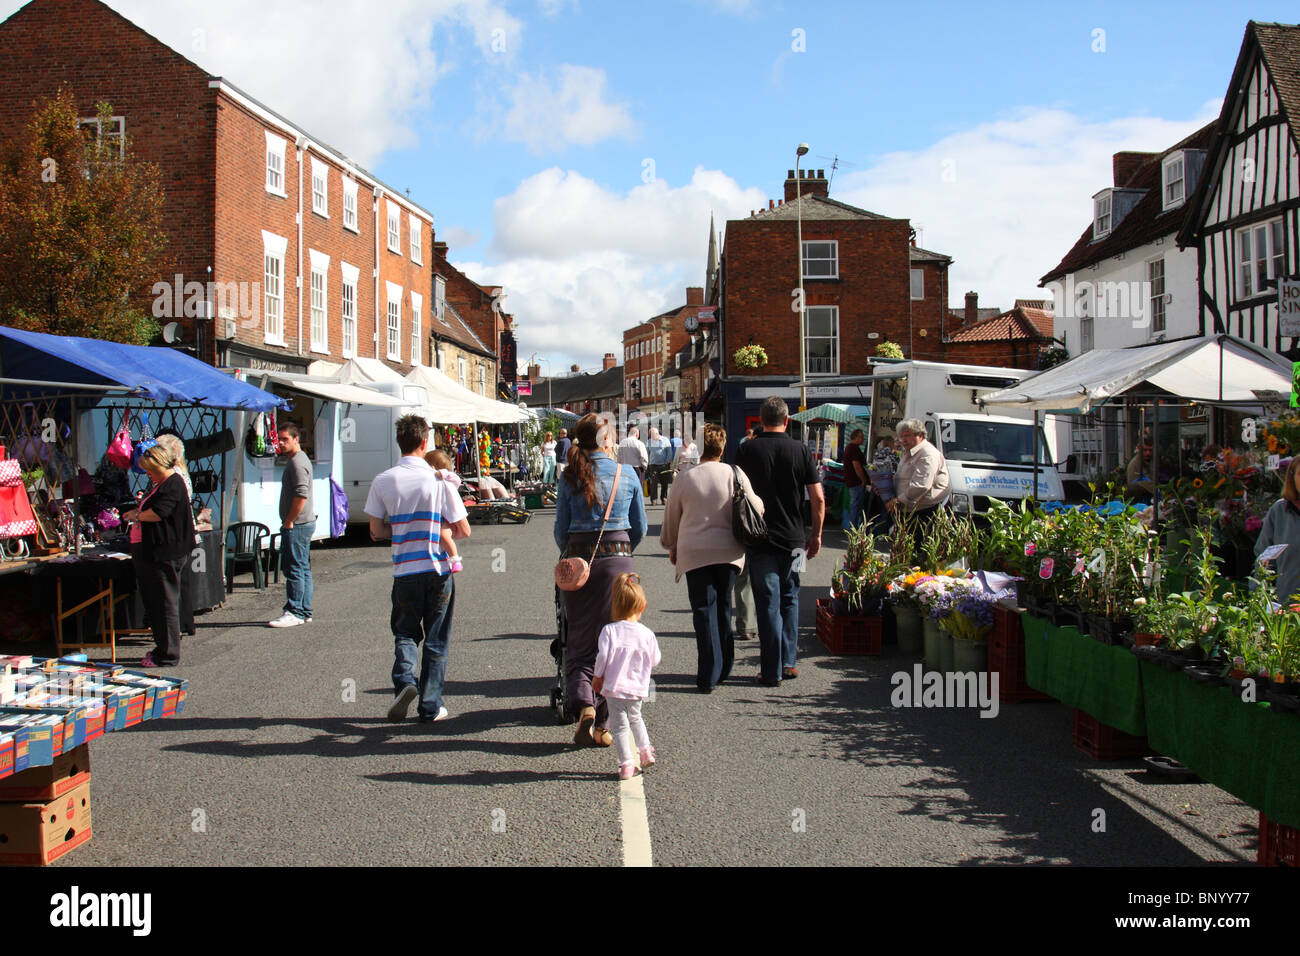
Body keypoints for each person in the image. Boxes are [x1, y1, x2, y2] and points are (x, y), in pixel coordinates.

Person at [367, 415, 471, 723]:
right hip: (438, 569)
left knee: (405, 632)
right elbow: (463, 529)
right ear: (425, 443)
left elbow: (375, 531)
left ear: (400, 442)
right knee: (436, 640)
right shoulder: (439, 480)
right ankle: (430, 705)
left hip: (405, 570)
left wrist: (400, 529)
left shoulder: (383, 480)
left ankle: (405, 680)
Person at [554, 413, 647, 747]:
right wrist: (622, 552)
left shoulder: (569, 476)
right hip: (619, 562)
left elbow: (560, 531)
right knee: (616, 644)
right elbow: (640, 528)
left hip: (579, 562)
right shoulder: (627, 474)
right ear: (607, 440)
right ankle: (603, 724)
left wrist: (574, 557)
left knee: (579, 642)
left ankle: (584, 706)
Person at [660, 423, 763, 691]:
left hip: (695, 552)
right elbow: (757, 506)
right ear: (722, 446)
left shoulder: (685, 477)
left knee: (703, 611)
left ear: (699, 447)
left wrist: (671, 544)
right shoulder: (735, 473)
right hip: (729, 551)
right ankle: (724, 663)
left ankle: (708, 673)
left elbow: (672, 516)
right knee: (722, 609)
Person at [735, 397, 825, 686]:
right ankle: (789, 661)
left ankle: (771, 669)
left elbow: (736, 495)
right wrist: (817, 535)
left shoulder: (746, 450)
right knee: (792, 596)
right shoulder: (800, 450)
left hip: (760, 539)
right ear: (787, 420)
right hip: (796, 540)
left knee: (767, 601)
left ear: (761, 420)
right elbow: (819, 498)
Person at [124, 445, 195, 668]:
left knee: (165, 603)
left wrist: (136, 515)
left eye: (149, 470)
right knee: (157, 603)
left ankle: (168, 654)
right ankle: (162, 648)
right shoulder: (165, 483)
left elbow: (159, 512)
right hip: (157, 550)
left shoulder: (173, 484)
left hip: (166, 551)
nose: (147, 474)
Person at [592, 572, 661, 780]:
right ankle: (646, 750)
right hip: (638, 687)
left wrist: (598, 676)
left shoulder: (609, 630)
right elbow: (656, 659)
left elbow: (603, 656)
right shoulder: (647, 633)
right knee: (636, 718)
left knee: (620, 727)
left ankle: (626, 765)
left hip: (614, 687)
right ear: (640, 607)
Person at [269, 423, 315, 627]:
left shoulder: (297, 462)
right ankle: (304, 610)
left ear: (297, 439)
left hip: (298, 524)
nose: (280, 443)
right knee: (302, 567)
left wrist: (289, 520)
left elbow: (301, 494)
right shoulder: (297, 460)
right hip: (303, 522)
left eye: (285, 439)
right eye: (279, 439)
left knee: (295, 568)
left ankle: (295, 611)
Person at [154, 432, 197, 637]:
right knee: (181, 581)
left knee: (173, 584)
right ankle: (184, 623)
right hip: (184, 532)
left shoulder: (174, 477)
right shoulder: (181, 473)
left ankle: (177, 626)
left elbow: (166, 508)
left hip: (176, 533)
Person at [887, 419, 949, 548]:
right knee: (905, 551)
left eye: (907, 435)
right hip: (909, 510)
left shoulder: (927, 454)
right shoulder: (909, 453)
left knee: (918, 552)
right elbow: (902, 478)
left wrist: (898, 500)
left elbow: (921, 485)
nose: (903, 440)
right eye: (902, 436)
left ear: (920, 435)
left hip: (924, 512)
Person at [732, 424, 764, 642]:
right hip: (784, 525)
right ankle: (772, 623)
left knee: (746, 576)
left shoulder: (745, 451)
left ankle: (747, 626)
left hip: (751, 519)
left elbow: (738, 483)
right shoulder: (796, 449)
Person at [1255, 457, 1300, 603]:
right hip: (1287, 607)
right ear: (1292, 478)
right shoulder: (1280, 511)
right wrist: (1259, 600)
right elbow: (1263, 558)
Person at [425, 449, 466, 573]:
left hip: (446, 518)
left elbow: (456, 480)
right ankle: (449, 557)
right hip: (441, 515)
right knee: (442, 537)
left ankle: (455, 559)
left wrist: (442, 474)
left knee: (444, 535)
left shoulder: (446, 480)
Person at [841, 428, 868, 532]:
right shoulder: (853, 448)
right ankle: (853, 528)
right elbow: (857, 466)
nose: (863, 439)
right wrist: (863, 479)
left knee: (855, 505)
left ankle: (853, 527)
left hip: (852, 481)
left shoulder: (850, 448)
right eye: (861, 437)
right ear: (856, 437)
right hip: (855, 482)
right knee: (856, 505)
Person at [645, 426, 673, 505]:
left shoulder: (665, 440)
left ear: (657, 434)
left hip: (664, 465)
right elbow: (646, 453)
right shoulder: (649, 441)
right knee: (653, 483)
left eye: (652, 435)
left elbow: (669, 452)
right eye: (650, 435)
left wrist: (666, 462)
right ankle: (653, 500)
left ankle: (664, 498)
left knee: (665, 483)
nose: (651, 436)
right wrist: (647, 463)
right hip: (653, 465)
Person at [618, 425, 649, 491]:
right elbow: (644, 458)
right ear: (637, 434)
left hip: (624, 469)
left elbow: (619, 458)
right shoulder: (640, 443)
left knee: (626, 489)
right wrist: (644, 467)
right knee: (638, 489)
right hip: (637, 469)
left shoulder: (622, 443)